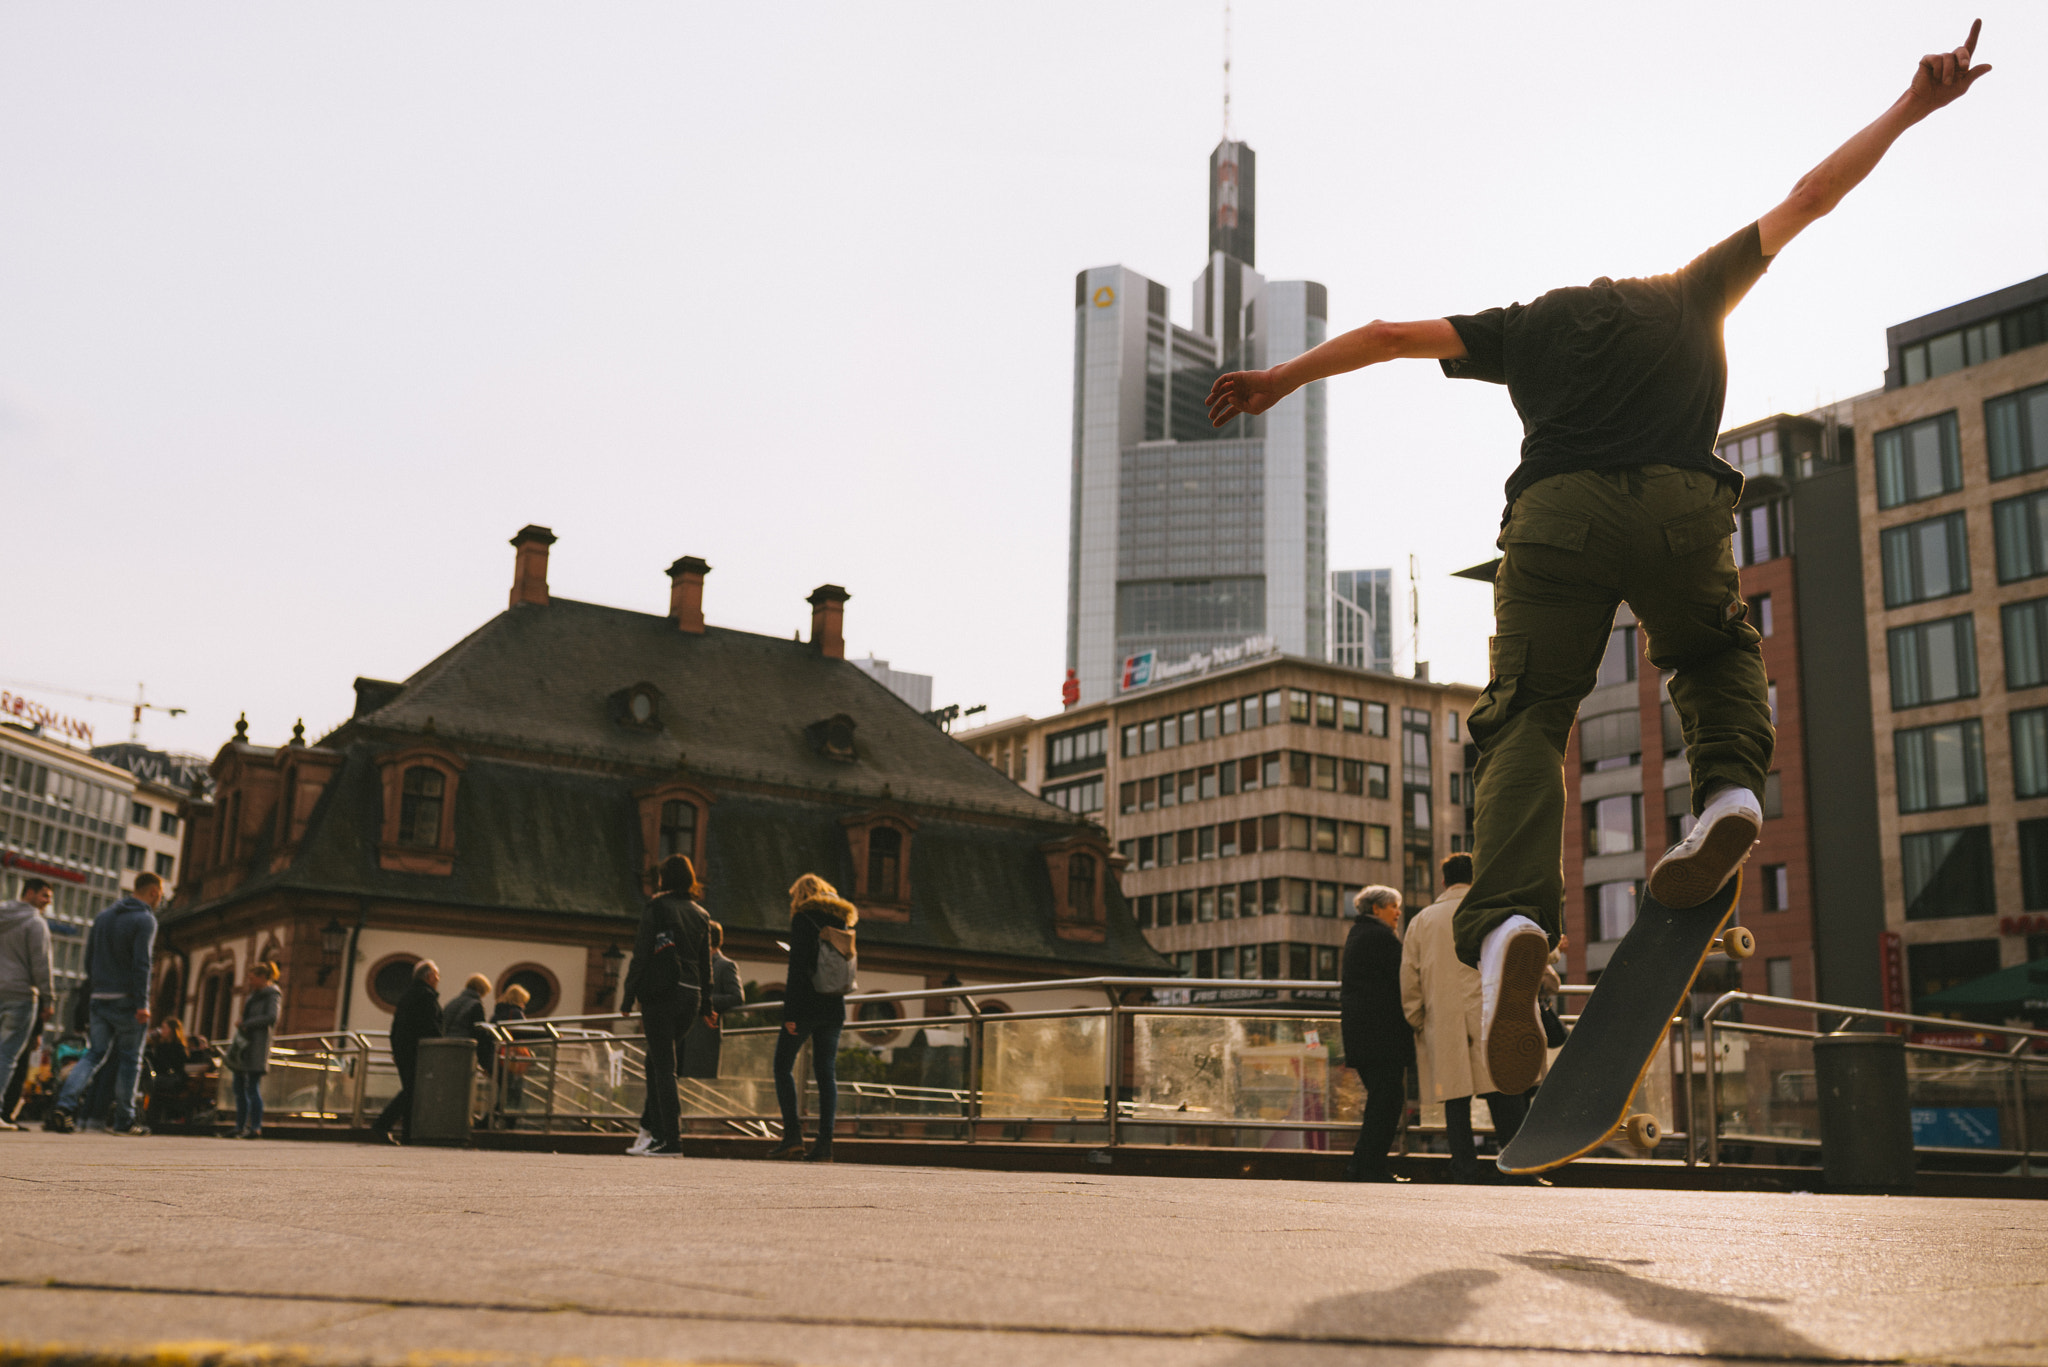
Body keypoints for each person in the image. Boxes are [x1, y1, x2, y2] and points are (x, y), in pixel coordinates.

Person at [1206, 23, 1993, 1096]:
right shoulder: (1690, 293)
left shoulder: (1523, 327)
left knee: (1526, 714)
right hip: (1677, 504)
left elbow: (1390, 331)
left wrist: (1280, 379)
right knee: (1711, 651)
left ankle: (1514, 922)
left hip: (1554, 519)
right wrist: (1910, 106)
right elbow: (1811, 196)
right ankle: (1723, 797)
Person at [1401, 854, 1529, 1184]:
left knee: (1455, 1103)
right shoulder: (1492, 911)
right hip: (1489, 1015)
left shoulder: (1422, 920)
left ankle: (1464, 1169)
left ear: (1443, 881)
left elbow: (1409, 976)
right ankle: (1517, 1168)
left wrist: (1418, 1019)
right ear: (1477, 878)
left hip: (1442, 1021)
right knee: (1503, 1093)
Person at [45, 872, 162, 1135]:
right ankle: (124, 1120)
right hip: (128, 1001)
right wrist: (143, 1003)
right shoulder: (145, 919)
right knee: (131, 1060)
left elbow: (89, 959)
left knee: (93, 1054)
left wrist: (97, 987)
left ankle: (65, 1105)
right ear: (154, 892)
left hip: (99, 997)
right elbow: (142, 964)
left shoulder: (104, 916)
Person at [619, 855, 714, 1159]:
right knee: (656, 1063)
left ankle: (671, 1141)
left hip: (662, 993)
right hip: (691, 995)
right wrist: (707, 1003)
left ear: (664, 879)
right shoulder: (701, 914)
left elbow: (642, 952)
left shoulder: (656, 907)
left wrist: (628, 995)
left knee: (663, 1069)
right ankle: (658, 1135)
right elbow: (705, 963)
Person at [768, 874, 856, 1163]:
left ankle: (792, 1136)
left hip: (805, 1007)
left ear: (802, 895)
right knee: (825, 1074)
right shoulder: (842, 922)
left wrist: (790, 1014)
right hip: (834, 1008)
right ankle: (824, 1145)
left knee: (782, 1066)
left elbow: (797, 969)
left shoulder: (805, 918)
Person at [1340, 885, 1413, 1183]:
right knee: (1387, 1101)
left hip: (1365, 1036)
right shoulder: (1380, 937)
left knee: (1382, 1100)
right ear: (1376, 909)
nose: (1398, 912)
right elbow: (1405, 978)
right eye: (1393, 906)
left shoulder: (1360, 934)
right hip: (1381, 1037)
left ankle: (1363, 1165)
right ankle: (1369, 1167)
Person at [0, 878, 56, 1131]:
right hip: (20, 994)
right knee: (7, 1054)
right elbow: (41, 965)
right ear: (29, 893)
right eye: (45, 895)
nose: (48, 901)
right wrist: (48, 998)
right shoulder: (35, 923)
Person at [371, 959, 442, 1145]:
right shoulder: (425, 996)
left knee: (412, 1091)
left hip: (404, 1049)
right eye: (436, 974)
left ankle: (407, 1134)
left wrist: (395, 1049)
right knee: (413, 1090)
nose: (438, 978)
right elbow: (429, 1026)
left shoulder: (408, 994)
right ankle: (383, 1124)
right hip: (417, 1051)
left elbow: (397, 1026)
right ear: (428, 976)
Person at [682, 921, 746, 1082]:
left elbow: (737, 997)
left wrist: (704, 1002)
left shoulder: (726, 965)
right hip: (685, 1034)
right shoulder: (693, 963)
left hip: (703, 1036)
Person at [228, 961, 281, 1139]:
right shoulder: (253, 995)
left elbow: (272, 1017)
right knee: (238, 1086)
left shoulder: (272, 995)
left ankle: (255, 1127)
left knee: (252, 1087)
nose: (250, 982)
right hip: (244, 1046)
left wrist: (247, 1023)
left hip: (257, 1046)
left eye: (252, 978)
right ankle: (240, 1126)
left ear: (263, 977)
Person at [489, 983, 534, 1128]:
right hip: (512, 1058)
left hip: (498, 1057)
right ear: (519, 999)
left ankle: (492, 1119)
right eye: (524, 1001)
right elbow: (524, 1033)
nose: (524, 1005)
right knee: (514, 1091)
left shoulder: (496, 1013)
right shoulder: (516, 1013)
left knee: (503, 1090)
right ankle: (508, 1121)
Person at [144, 1017, 192, 1127]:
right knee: (151, 1082)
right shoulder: (160, 1046)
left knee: (154, 1084)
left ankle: (154, 1118)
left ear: (172, 1030)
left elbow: (175, 1066)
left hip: (174, 1078)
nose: (161, 1030)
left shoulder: (178, 1047)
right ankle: (150, 1117)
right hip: (162, 1076)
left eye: (164, 1028)